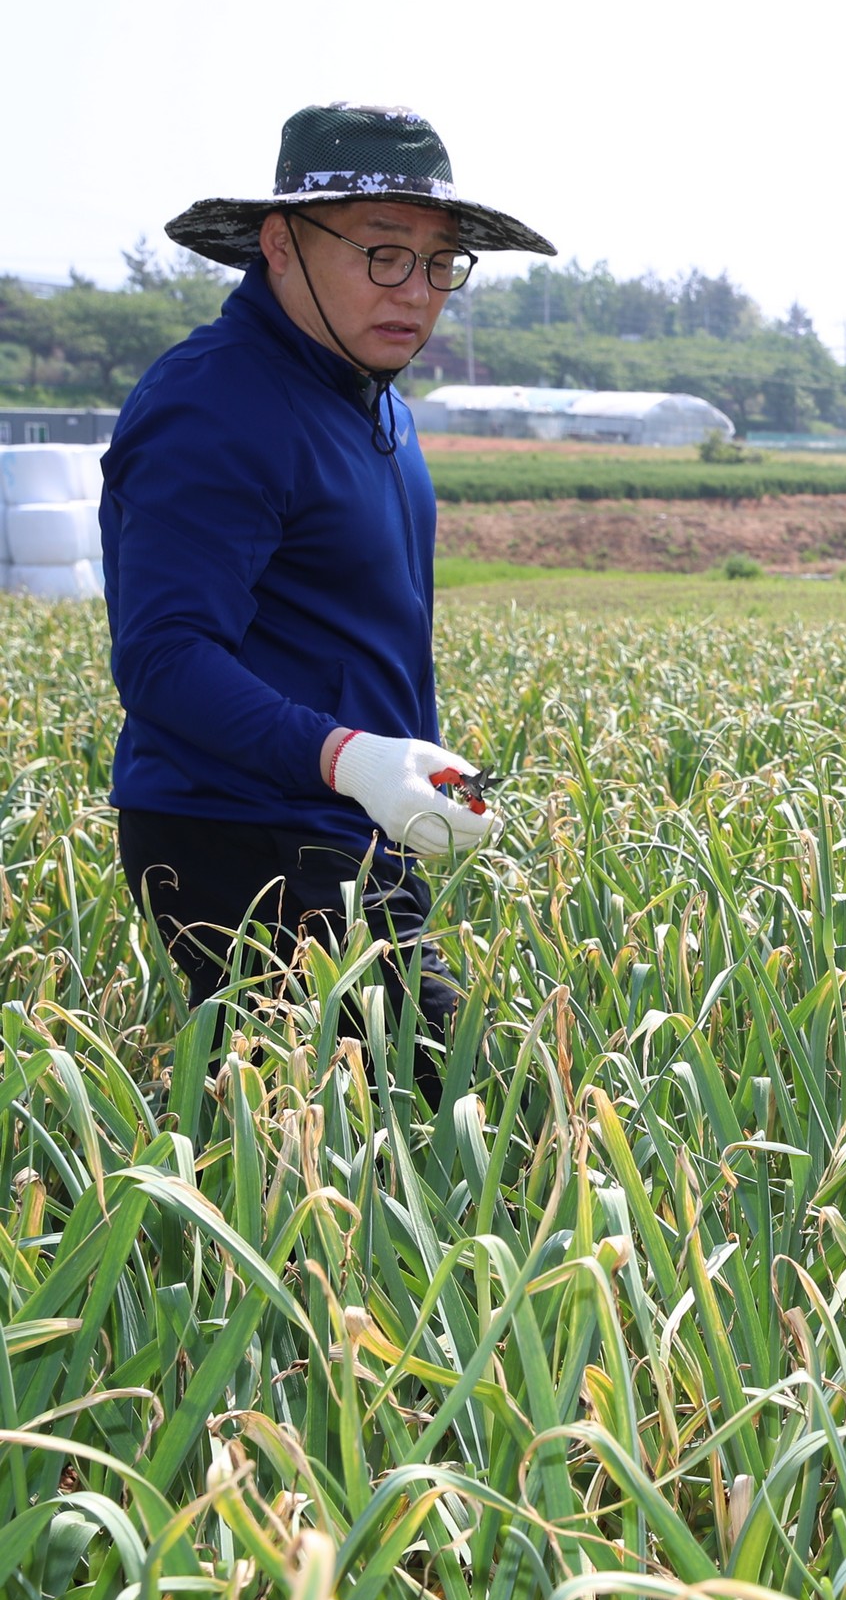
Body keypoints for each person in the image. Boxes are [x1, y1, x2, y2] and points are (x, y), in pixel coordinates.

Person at [106, 102, 555, 1089]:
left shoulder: (371, 399)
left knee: (302, 1136)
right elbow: (162, 659)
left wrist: (404, 764)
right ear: (280, 244)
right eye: (383, 254)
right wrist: (351, 757)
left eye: (441, 262)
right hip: (245, 834)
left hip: (341, 824)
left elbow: (340, 629)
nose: (418, 291)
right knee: (456, 1125)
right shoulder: (218, 406)